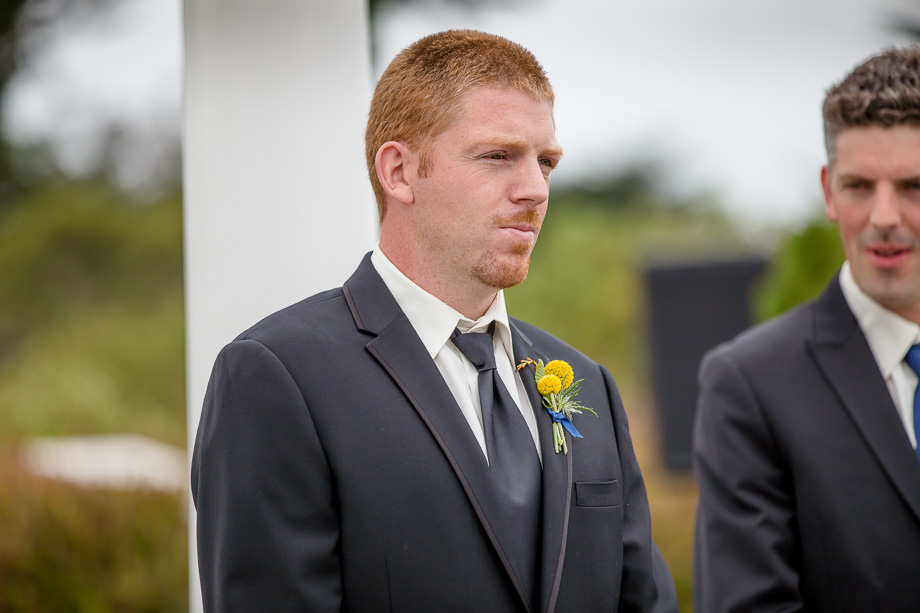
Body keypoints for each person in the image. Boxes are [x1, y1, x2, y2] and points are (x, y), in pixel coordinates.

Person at [191, 29, 676, 612]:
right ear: (399, 172)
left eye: (546, 162)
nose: (535, 190)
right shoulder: (277, 377)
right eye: (498, 156)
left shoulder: (585, 382)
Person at [693, 46, 920, 612]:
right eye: (859, 186)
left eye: (914, 186)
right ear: (828, 190)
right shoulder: (749, 384)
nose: (885, 217)